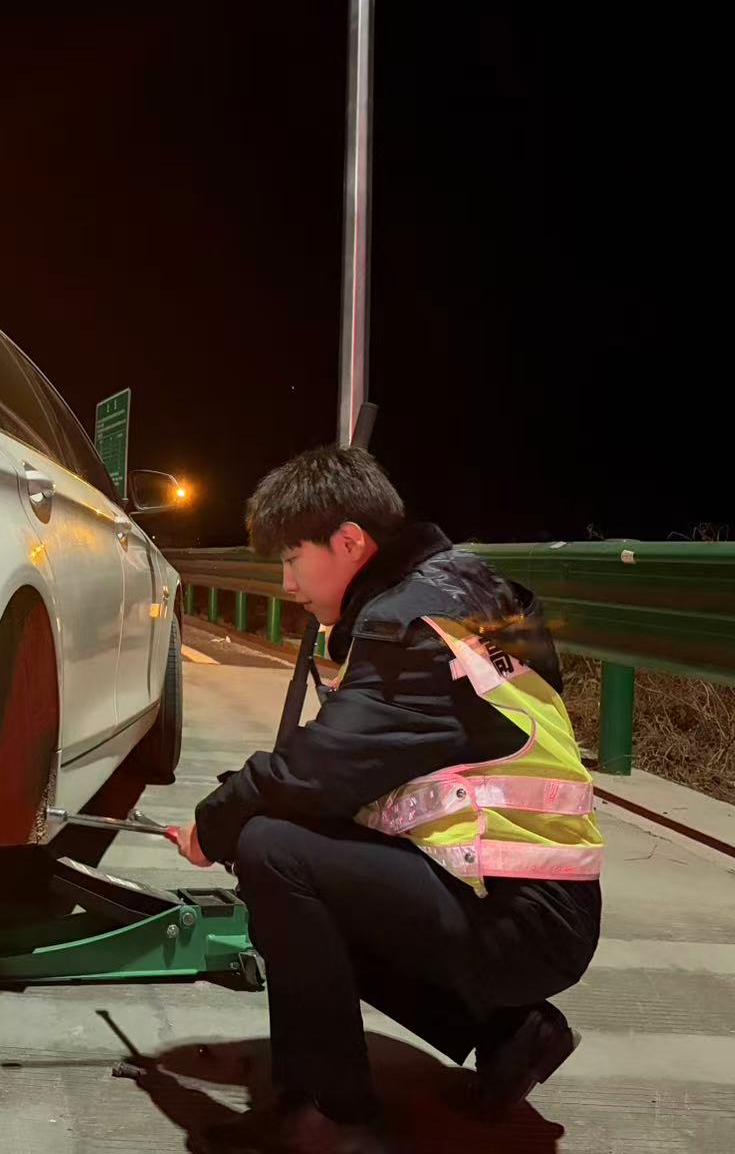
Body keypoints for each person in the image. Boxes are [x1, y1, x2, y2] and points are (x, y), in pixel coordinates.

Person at [172, 445, 603, 1154]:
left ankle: (331, 1118)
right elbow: (368, 768)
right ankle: (510, 1036)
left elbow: (313, 773)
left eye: (293, 560)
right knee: (292, 857)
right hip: (531, 900)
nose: (287, 585)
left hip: (517, 917)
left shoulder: (409, 632)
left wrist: (213, 822)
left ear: (349, 543)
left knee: (270, 852)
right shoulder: (473, 595)